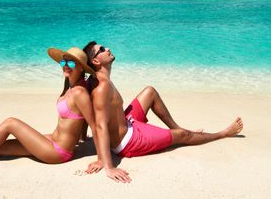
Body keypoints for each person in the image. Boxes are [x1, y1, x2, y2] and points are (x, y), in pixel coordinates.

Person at [82, 41, 244, 183]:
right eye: (102, 49)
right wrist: (107, 165)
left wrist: (85, 139)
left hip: (127, 122)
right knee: (182, 135)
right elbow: (100, 125)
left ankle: (176, 127)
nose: (108, 48)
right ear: (96, 60)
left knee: (149, 91)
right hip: (128, 140)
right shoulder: (102, 87)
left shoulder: (98, 80)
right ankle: (222, 133)